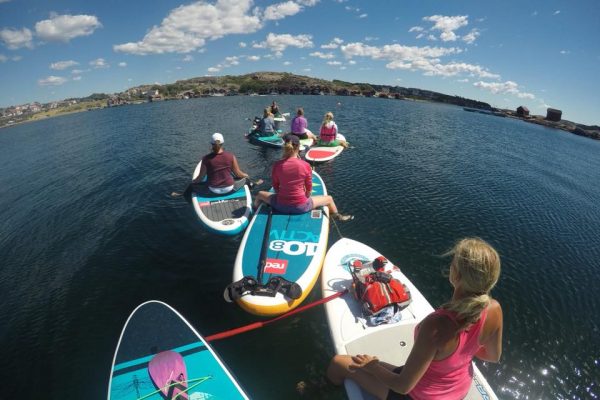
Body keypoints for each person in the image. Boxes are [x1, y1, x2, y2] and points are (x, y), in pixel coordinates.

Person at [327, 237, 503, 400]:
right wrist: (464, 351)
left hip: (421, 396)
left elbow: (403, 386)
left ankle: (323, 389)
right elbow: (493, 356)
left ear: (456, 275)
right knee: (368, 361)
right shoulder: (494, 310)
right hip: (460, 390)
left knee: (339, 363)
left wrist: (373, 367)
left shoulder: (436, 325)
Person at [254, 134, 353, 221]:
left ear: (285, 147)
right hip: (301, 207)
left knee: (259, 194)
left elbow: (276, 187)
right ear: (298, 147)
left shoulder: (277, 165)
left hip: (281, 206)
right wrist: (304, 197)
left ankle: (255, 212)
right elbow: (309, 189)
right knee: (329, 199)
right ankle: (337, 216)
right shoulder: (305, 165)